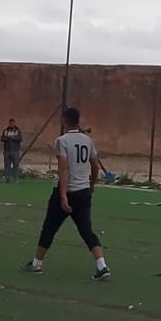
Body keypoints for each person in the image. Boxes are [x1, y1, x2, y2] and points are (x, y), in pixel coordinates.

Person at [22, 106, 111, 280]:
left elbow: (63, 169)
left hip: (68, 191)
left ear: (64, 120)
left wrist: (63, 196)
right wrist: (91, 184)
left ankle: (37, 263)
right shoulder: (88, 140)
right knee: (86, 230)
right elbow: (95, 166)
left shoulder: (62, 141)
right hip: (83, 191)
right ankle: (102, 265)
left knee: (49, 227)